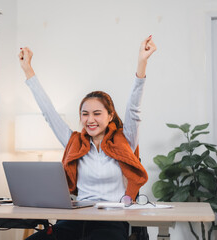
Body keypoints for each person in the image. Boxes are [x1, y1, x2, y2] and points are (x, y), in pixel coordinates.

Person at [18, 36, 157, 240]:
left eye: (97, 113)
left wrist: (142, 63)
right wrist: (28, 70)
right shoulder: (74, 142)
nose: (90, 119)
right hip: (76, 219)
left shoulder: (125, 140)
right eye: (85, 114)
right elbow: (49, 113)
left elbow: (134, 109)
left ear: (110, 116)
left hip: (112, 221)